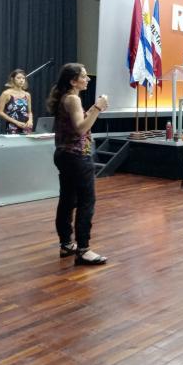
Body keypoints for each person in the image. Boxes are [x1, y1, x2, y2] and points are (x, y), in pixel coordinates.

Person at [47, 63, 109, 265]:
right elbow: (82, 128)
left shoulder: (66, 97)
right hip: (77, 157)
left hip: (65, 155)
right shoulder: (73, 99)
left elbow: (79, 123)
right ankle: (83, 250)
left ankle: (66, 244)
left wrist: (92, 109)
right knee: (86, 202)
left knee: (67, 200)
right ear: (73, 81)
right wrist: (98, 107)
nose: (88, 79)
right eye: (84, 76)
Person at [0, 69, 33, 134]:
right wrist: (16, 122)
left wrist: (30, 120)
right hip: (12, 127)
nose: (21, 80)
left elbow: (29, 112)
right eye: (18, 78)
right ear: (12, 79)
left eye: (23, 78)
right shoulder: (6, 94)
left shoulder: (27, 95)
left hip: (26, 127)